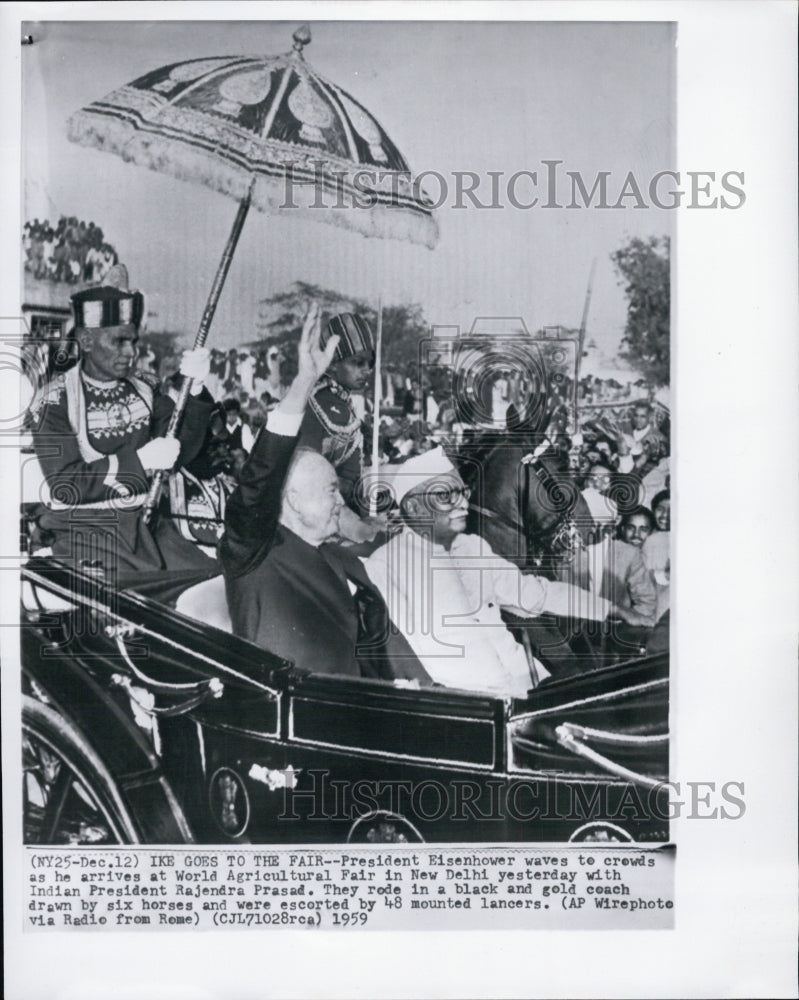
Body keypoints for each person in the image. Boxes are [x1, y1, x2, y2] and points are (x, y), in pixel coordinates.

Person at [220, 303, 431, 684]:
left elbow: (386, 655)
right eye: (330, 492)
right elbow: (261, 478)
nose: (339, 501)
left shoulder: (339, 561)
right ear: (294, 500)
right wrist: (302, 382)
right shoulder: (253, 544)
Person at [363, 448, 632, 698]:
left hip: (528, 682)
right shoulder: (387, 565)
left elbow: (535, 593)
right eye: (445, 495)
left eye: (462, 492)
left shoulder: (472, 546)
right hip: (469, 700)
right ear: (413, 508)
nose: (462, 504)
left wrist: (610, 610)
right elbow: (403, 660)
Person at [29, 274, 218, 602]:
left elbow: (182, 449)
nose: (130, 352)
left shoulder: (145, 386)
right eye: (118, 341)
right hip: (85, 531)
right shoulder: (53, 401)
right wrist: (141, 461)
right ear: (86, 341)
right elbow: (65, 483)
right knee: (140, 608)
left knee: (216, 586)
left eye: (133, 341)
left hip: (148, 529)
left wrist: (197, 389)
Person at [298, 312, 382, 543]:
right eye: (358, 363)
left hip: (336, 509)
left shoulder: (347, 407)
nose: (366, 370)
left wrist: (367, 516)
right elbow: (306, 480)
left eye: (369, 364)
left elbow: (351, 478)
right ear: (333, 364)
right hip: (305, 513)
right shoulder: (314, 404)